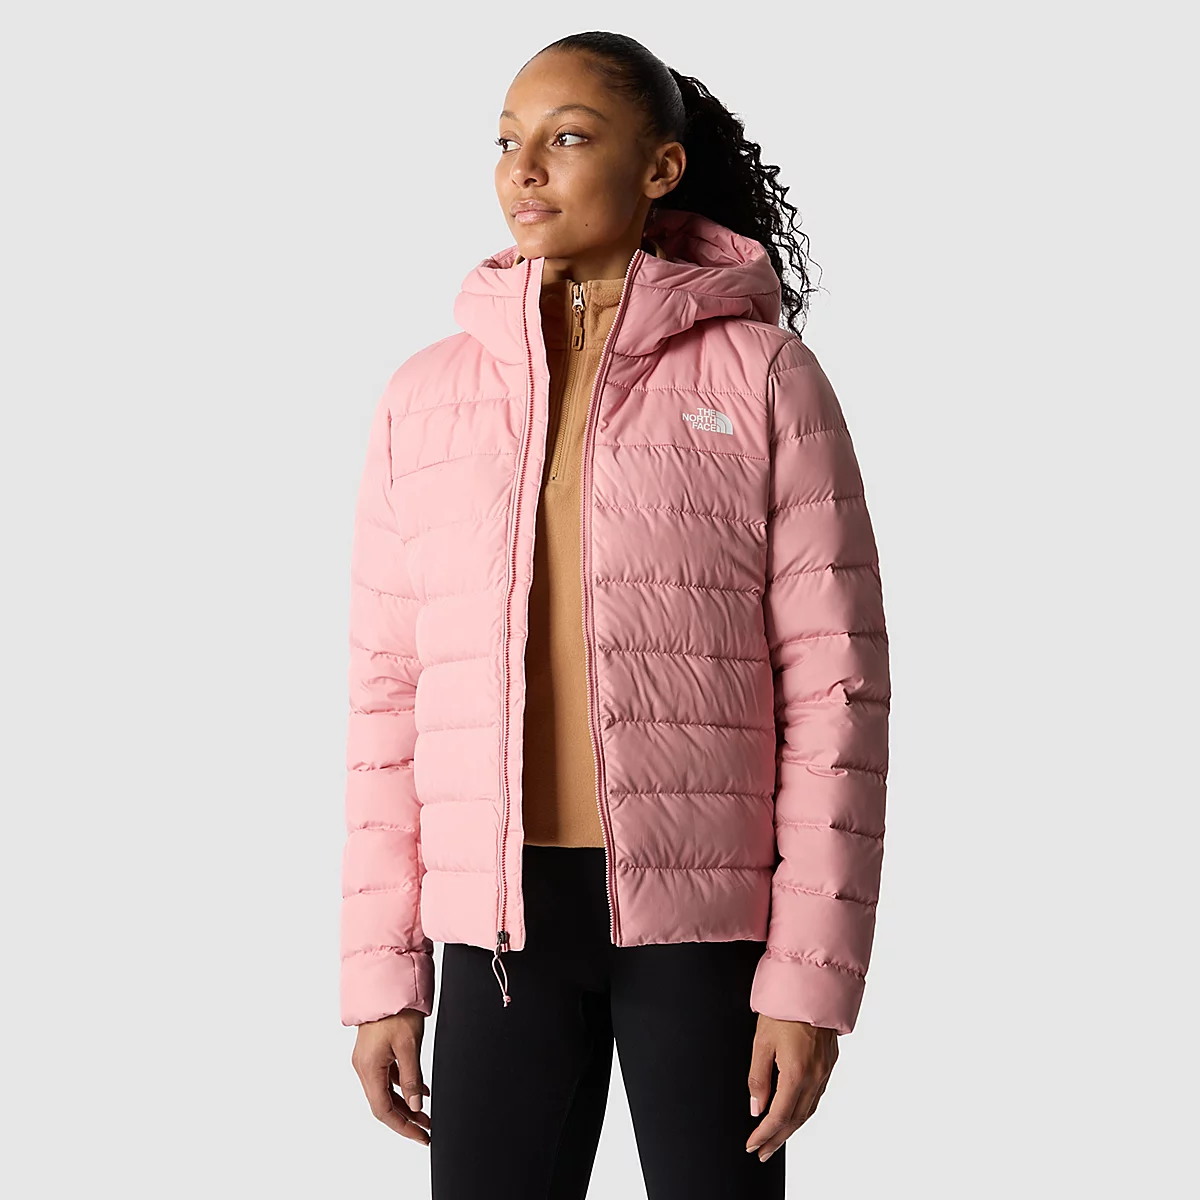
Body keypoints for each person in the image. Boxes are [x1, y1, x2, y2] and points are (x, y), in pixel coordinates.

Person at [340, 30, 890, 1200]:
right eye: (507, 141)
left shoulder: (764, 378)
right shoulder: (425, 398)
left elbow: (836, 693)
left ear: (660, 168)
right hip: (499, 934)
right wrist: (383, 977)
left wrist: (809, 982)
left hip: (707, 927)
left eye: (569, 137)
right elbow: (387, 702)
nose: (525, 168)